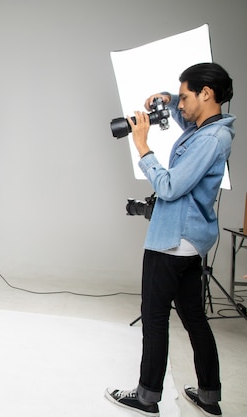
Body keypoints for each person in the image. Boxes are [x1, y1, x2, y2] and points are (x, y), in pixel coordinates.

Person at [105, 63, 234, 417]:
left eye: (186, 96)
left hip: (171, 240)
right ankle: (209, 395)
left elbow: (170, 186)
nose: (180, 106)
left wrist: (143, 146)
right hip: (189, 240)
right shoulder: (209, 130)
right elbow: (189, 127)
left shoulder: (209, 139)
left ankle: (146, 397)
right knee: (193, 317)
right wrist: (170, 97)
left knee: (155, 316)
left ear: (206, 94)